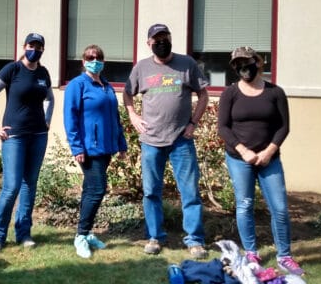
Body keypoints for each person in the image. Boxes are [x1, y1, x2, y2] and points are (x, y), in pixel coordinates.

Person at [123, 23, 209, 258]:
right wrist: (133, 116)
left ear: (171, 38)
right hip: (151, 141)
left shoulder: (187, 64)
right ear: (149, 43)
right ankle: (154, 237)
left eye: (165, 38)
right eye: (156, 39)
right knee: (151, 192)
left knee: (190, 192)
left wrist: (193, 123)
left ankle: (195, 240)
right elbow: (127, 94)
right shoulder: (141, 68)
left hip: (181, 139)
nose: (161, 42)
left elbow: (203, 94)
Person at [217, 46, 305, 276]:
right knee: (245, 205)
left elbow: (284, 126)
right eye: (237, 64)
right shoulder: (230, 93)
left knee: (280, 209)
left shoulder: (275, 92)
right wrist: (243, 150)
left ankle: (284, 256)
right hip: (239, 159)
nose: (242, 67)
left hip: (269, 160)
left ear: (258, 61)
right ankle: (251, 252)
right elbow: (223, 128)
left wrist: (268, 152)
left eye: (247, 62)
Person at [0, 32, 54, 253]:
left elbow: (50, 98)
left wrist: (47, 120)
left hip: (38, 135)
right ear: (24, 46)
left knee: (29, 185)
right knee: (11, 186)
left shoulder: (43, 72)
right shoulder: (12, 69)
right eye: (31, 45)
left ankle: (24, 233)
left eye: (39, 46)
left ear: (42, 49)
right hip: (14, 136)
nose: (35, 49)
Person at [64, 44, 128, 258]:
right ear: (83, 62)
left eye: (98, 57)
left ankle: (87, 232)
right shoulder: (78, 85)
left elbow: (115, 118)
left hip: (106, 147)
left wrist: (121, 143)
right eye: (90, 57)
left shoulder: (107, 86)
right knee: (98, 189)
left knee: (89, 190)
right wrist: (77, 147)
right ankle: (80, 236)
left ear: (103, 61)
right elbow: (70, 118)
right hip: (89, 149)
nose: (95, 60)